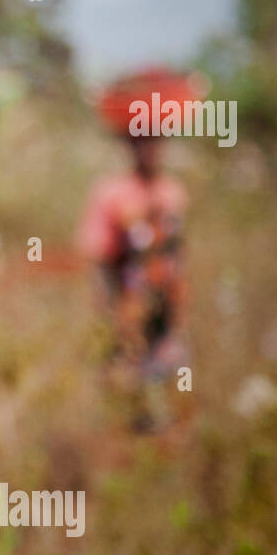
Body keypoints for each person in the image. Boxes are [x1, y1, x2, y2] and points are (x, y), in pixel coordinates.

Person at [76, 68, 193, 426]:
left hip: (166, 328)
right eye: (141, 139)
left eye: (157, 138)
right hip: (127, 326)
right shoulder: (111, 195)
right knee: (128, 418)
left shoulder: (173, 193)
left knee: (171, 417)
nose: (150, 147)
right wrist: (116, 331)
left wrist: (177, 314)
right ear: (128, 143)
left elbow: (177, 263)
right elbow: (101, 269)